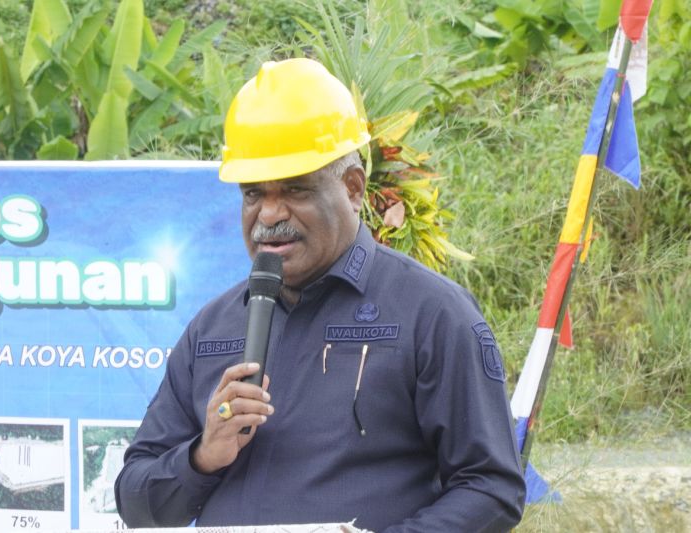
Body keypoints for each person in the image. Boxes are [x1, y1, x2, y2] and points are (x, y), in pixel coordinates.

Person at [115, 58, 525, 532]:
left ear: (352, 189)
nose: (269, 214)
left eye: (295, 190)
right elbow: (135, 501)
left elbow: (491, 489)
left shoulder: (432, 314)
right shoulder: (212, 327)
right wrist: (203, 456)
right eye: (253, 194)